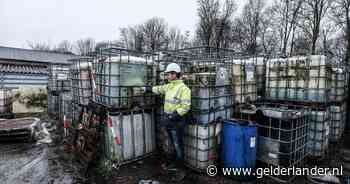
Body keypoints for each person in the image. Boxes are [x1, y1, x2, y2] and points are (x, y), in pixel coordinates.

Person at [143, 63, 191, 180]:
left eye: (170, 74)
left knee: (178, 144)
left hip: (177, 121)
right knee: (172, 143)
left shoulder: (184, 89)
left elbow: (185, 106)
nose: (168, 76)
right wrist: (147, 89)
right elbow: (159, 89)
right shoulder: (169, 86)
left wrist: (173, 115)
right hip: (169, 120)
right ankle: (174, 162)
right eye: (167, 74)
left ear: (175, 74)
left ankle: (181, 167)